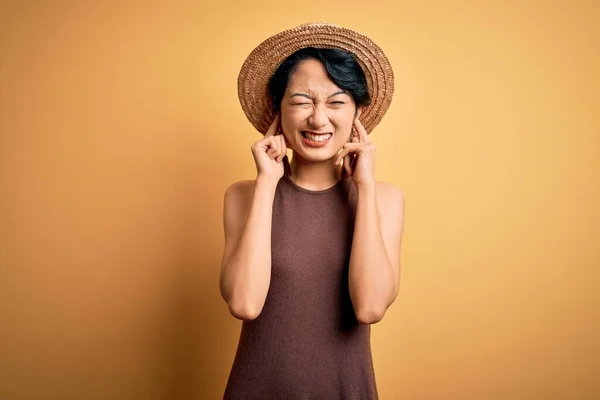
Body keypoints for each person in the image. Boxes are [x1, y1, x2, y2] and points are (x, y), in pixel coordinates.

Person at [219, 23, 405, 400]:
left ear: (357, 115)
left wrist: (364, 188)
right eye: (302, 101)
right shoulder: (244, 196)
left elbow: (369, 307)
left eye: (336, 102)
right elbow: (244, 303)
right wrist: (268, 183)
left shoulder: (383, 199)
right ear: (277, 110)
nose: (319, 119)